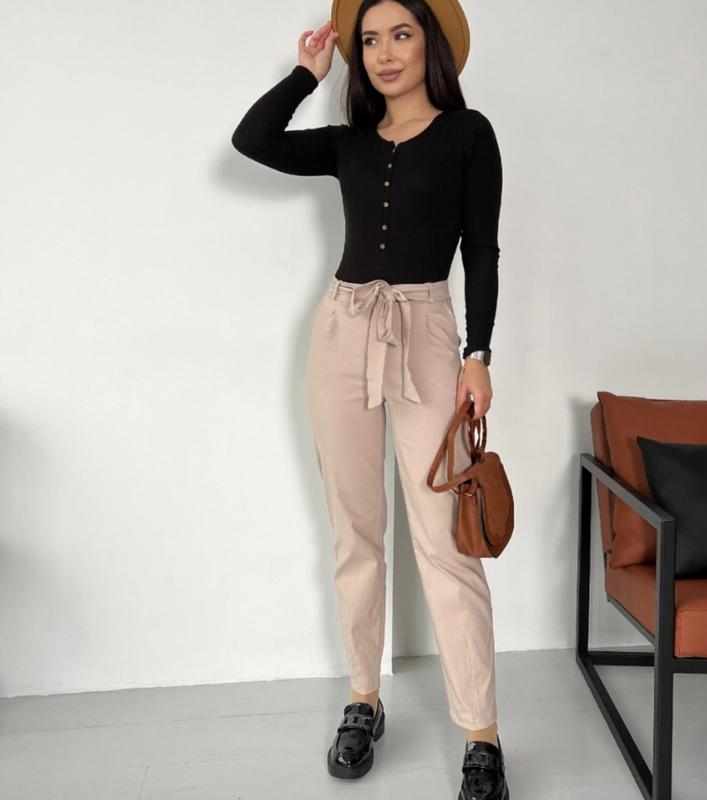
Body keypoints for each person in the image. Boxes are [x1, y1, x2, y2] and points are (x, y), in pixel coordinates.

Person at [231, 2, 508, 797]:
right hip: (343, 330)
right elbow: (253, 139)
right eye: (371, 40)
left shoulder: (469, 134)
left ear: (431, 45)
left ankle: (482, 736)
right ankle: (364, 698)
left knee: (447, 542)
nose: (384, 53)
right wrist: (305, 73)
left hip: (426, 332)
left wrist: (478, 354)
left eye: (402, 35)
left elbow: (482, 251)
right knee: (356, 532)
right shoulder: (348, 142)